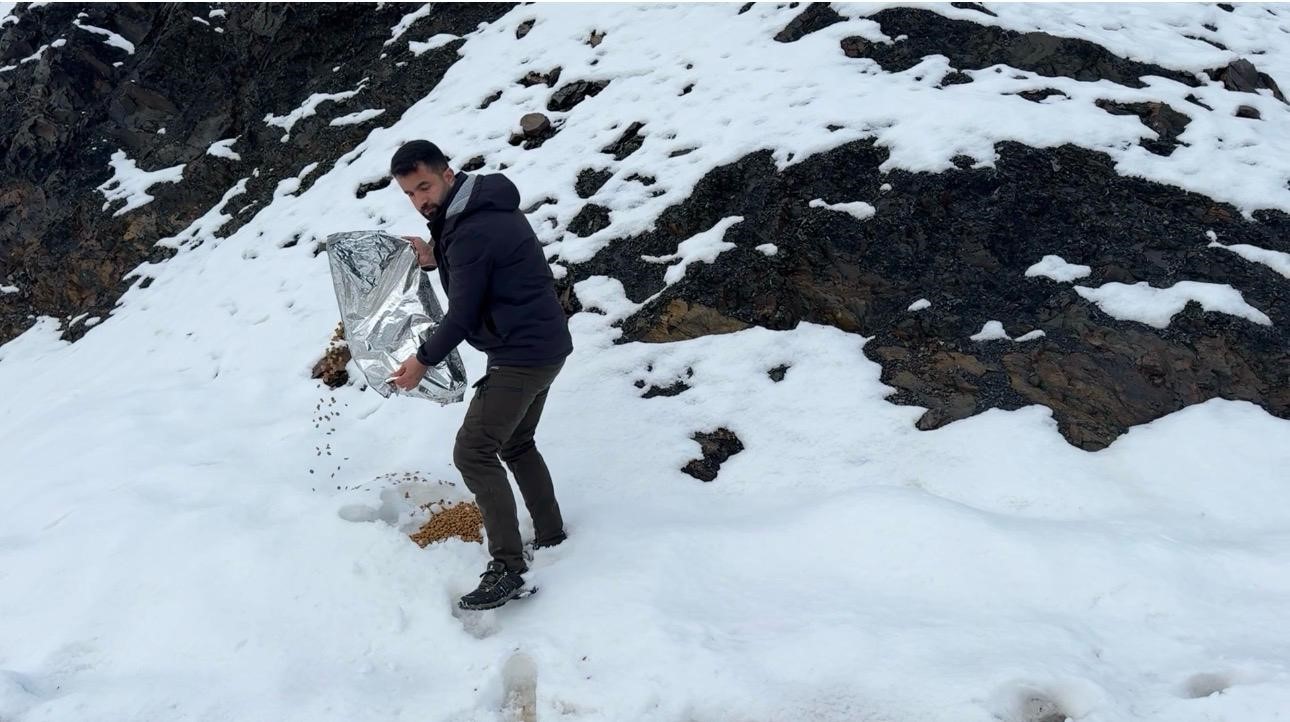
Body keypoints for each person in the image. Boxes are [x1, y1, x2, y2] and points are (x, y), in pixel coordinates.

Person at [387, 140, 573, 610]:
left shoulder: (472, 228)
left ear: (448, 175)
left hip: (521, 355)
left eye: (424, 186)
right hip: (541, 345)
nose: (420, 200)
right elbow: (480, 270)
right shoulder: (476, 210)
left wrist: (422, 361)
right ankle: (551, 534)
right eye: (410, 193)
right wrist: (434, 257)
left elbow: (463, 314)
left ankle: (509, 569)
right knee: (517, 443)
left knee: (472, 451)